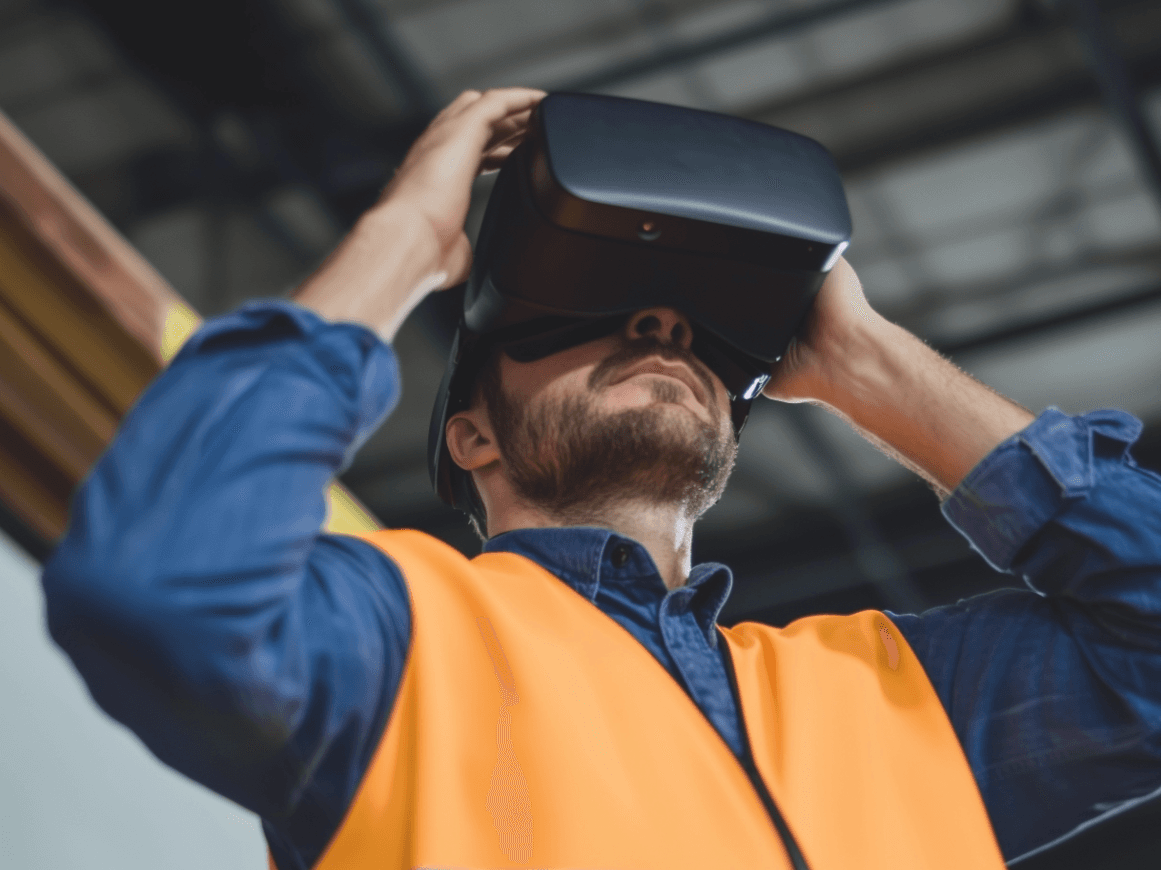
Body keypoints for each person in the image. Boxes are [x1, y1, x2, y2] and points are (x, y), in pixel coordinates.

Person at [41, 87, 1161, 870]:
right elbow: (158, 586)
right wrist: (410, 240)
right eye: (586, 314)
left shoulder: (893, 698)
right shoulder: (397, 641)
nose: (662, 324)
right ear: (472, 435)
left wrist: (871, 365)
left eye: (696, 333)